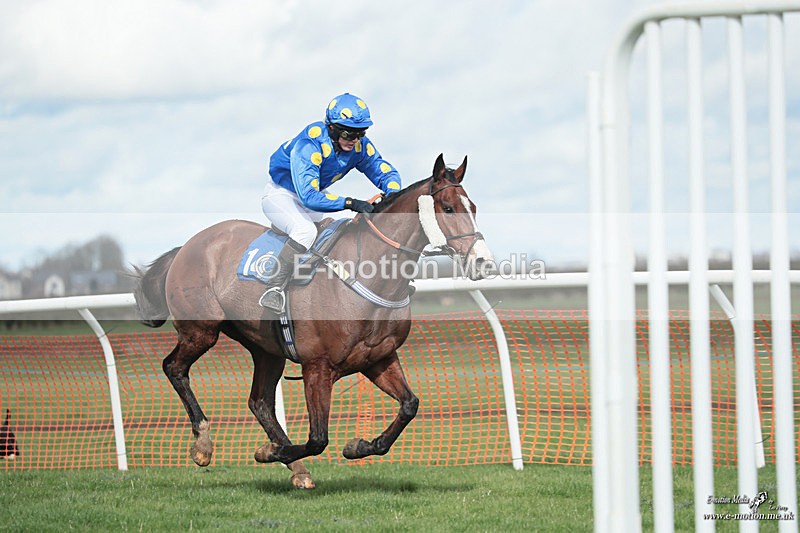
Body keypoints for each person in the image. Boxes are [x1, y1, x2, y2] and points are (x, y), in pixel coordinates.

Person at [259, 92, 403, 312]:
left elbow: (383, 171)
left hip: (311, 196)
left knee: (344, 225)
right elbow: (309, 196)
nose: (354, 139)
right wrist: (351, 202)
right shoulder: (310, 143)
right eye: (348, 133)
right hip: (282, 195)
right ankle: (274, 287)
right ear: (332, 128)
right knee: (305, 231)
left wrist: (392, 193)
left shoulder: (359, 145)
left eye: (360, 133)